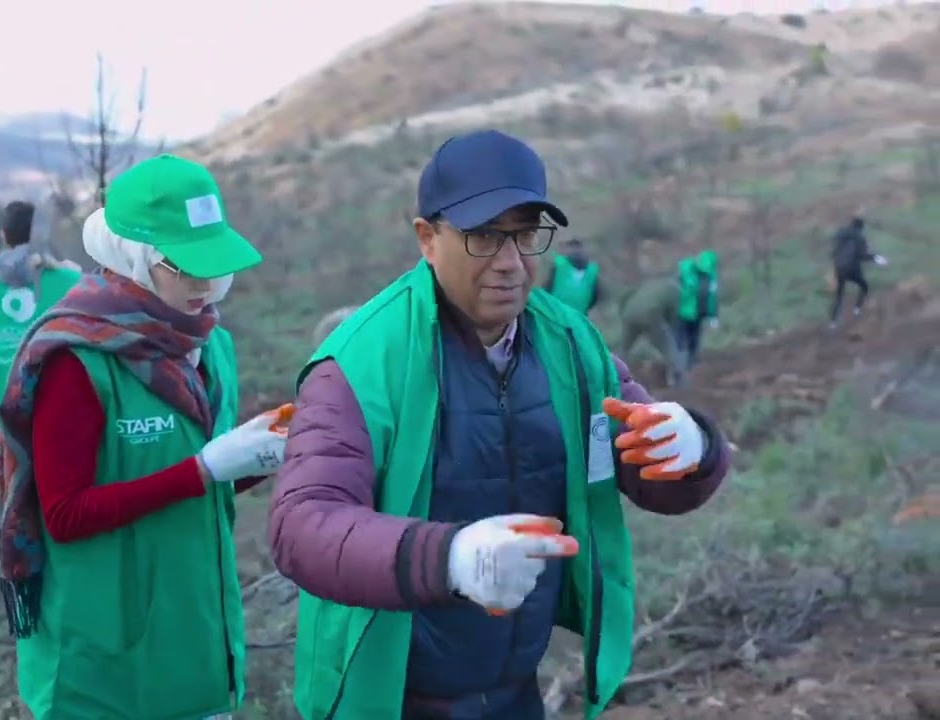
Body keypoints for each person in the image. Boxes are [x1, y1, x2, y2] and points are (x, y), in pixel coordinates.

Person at [268, 129, 731, 720]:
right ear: (427, 239)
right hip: (388, 692)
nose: (511, 263)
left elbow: (651, 472)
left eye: (525, 235)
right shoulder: (362, 363)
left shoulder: (571, 346)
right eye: (485, 236)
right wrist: (451, 558)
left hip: (514, 688)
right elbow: (302, 525)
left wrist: (694, 446)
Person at [0, 154, 289, 719]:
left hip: (197, 644)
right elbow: (65, 514)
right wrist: (204, 470)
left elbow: (196, 479)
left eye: (217, 266)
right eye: (187, 267)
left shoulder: (208, 346)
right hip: (104, 674)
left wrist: (258, 457)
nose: (208, 285)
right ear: (135, 257)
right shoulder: (78, 359)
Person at [0, 200, 81, 496]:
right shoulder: (74, 282)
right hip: (74, 430)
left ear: (3, 236)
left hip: (8, 440)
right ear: (38, 236)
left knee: (12, 526)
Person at [616, 276, 688, 388]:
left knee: (625, 348)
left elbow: (627, 295)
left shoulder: (652, 283)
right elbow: (673, 315)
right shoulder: (675, 291)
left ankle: (614, 374)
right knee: (667, 346)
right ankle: (675, 377)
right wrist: (669, 329)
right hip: (650, 314)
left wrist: (623, 314)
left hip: (629, 312)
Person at [828, 215, 887, 329]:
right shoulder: (859, 237)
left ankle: (833, 322)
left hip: (839, 268)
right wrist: (876, 259)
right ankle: (857, 310)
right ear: (861, 228)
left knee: (839, 295)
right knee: (864, 286)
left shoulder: (841, 233)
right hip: (852, 268)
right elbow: (862, 255)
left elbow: (834, 250)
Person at [675, 249, 719, 370]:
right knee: (680, 341)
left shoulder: (711, 278)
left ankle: (690, 365)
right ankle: (677, 366)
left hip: (698, 314)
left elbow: (712, 299)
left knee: (694, 340)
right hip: (682, 313)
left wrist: (713, 315)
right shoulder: (687, 271)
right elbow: (675, 290)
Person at [542, 236, 602, 315]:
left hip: (556, 313)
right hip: (578, 316)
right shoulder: (592, 270)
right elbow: (595, 296)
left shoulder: (559, 264)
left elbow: (547, 288)